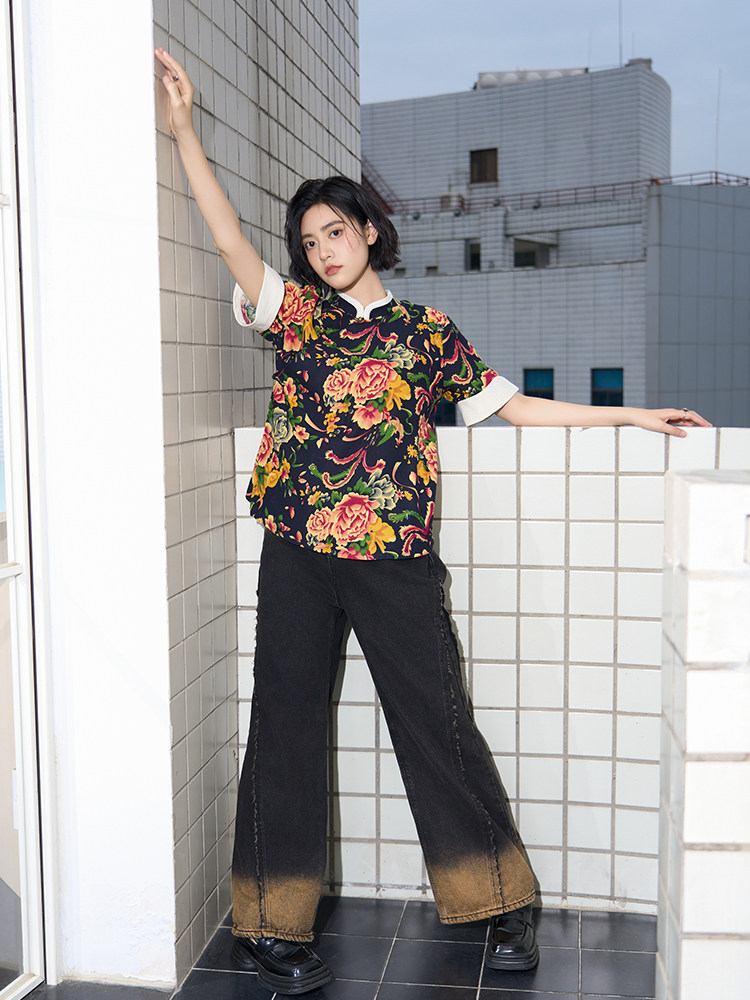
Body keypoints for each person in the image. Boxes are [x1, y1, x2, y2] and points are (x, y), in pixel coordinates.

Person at [155, 48, 710, 997]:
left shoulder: (427, 333)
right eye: (310, 242)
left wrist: (631, 415)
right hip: (298, 548)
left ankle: (498, 903)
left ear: (370, 232)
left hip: (392, 555)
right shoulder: (295, 315)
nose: (324, 251)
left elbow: (513, 407)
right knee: (283, 724)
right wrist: (183, 135)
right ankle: (271, 923)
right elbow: (227, 236)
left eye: (336, 232)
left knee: (435, 719)